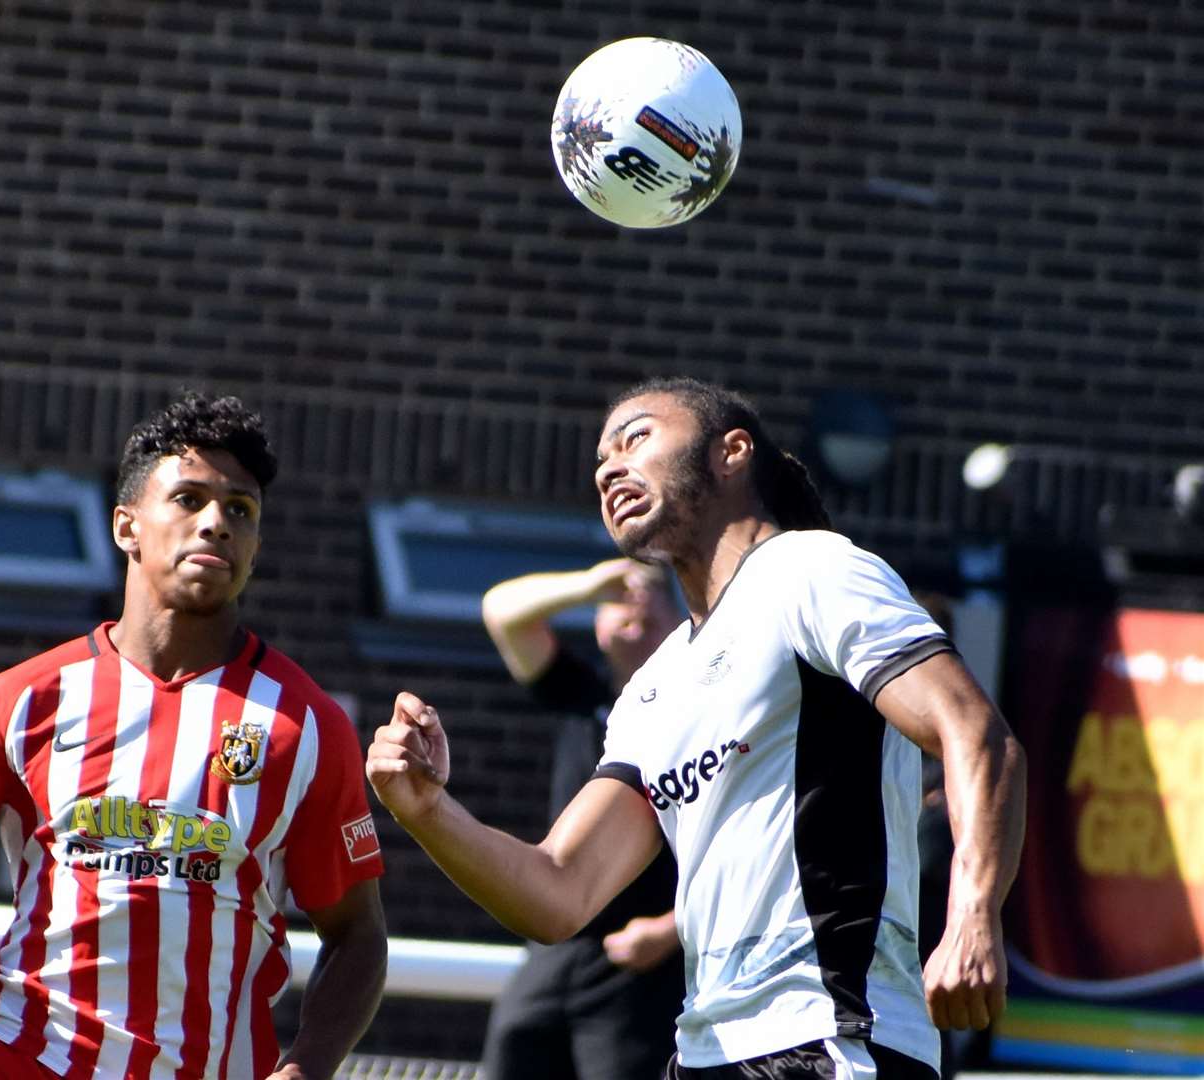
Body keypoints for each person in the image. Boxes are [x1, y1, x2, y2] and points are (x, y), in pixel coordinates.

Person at [367, 376, 1027, 1080]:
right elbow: (557, 893)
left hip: (835, 1036)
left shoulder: (811, 569)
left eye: (636, 439)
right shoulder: (655, 685)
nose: (608, 468)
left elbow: (974, 731)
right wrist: (429, 812)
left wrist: (971, 914)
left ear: (731, 452)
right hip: (704, 1051)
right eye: (599, 459)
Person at [0, 392, 388, 1080]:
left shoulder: (307, 726)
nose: (215, 524)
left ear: (256, 547)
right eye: (189, 499)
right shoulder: (25, 700)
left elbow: (356, 935)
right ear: (127, 527)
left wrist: (307, 1067)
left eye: (239, 509)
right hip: (14, 1051)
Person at [479, 557, 684, 1079]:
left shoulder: (696, 710)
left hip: (642, 957)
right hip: (557, 944)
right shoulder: (582, 695)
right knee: (511, 1049)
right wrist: (590, 584)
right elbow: (502, 612)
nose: (636, 607)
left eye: (656, 598)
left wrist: (668, 931)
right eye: (620, 599)